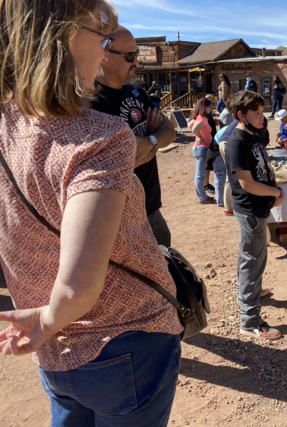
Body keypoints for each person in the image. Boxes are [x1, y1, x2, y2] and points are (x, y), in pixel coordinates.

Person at [0, 1, 182, 426]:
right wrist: (47, 318)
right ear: (61, 36)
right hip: (123, 337)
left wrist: (46, 323)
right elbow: (79, 287)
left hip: (54, 349)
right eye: (100, 38)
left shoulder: (7, 123)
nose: (104, 54)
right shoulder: (99, 137)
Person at [92, 26, 175, 248]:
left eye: (136, 54)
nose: (136, 61)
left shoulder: (135, 89)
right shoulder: (93, 101)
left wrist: (151, 141)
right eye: (130, 56)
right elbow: (124, 160)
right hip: (122, 213)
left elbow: (170, 129)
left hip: (150, 205)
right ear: (104, 55)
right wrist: (151, 138)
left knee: (166, 258)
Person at [225, 90, 284, 340]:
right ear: (241, 115)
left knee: (248, 255)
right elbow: (247, 184)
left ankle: (247, 290)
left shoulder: (253, 135)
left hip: (256, 208)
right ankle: (250, 320)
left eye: (262, 111)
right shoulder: (237, 141)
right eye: (256, 113)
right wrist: (274, 191)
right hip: (250, 209)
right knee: (254, 260)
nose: (262, 117)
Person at [190, 98, 215, 204]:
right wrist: (200, 136)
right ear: (205, 107)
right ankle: (202, 198)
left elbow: (189, 125)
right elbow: (194, 129)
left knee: (200, 174)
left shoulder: (198, 117)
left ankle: (202, 196)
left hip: (199, 148)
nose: (212, 107)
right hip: (202, 148)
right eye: (210, 106)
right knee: (200, 175)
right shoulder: (203, 118)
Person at [204, 94, 219, 196]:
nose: (213, 106)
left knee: (209, 165)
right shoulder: (203, 112)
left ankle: (207, 184)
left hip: (211, 140)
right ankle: (205, 185)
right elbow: (193, 124)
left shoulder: (208, 112)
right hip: (206, 142)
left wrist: (213, 122)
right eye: (212, 103)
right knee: (206, 165)